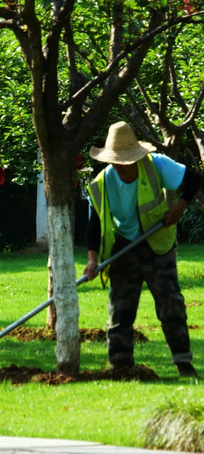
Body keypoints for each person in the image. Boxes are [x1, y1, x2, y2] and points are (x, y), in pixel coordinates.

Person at [86, 121, 201, 378]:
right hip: (124, 249)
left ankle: (184, 364)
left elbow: (194, 180)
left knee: (171, 306)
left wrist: (179, 208)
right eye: (116, 161)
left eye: (125, 160)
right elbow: (94, 225)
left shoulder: (157, 164)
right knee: (120, 311)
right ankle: (121, 367)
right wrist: (92, 260)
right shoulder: (102, 183)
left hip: (157, 244)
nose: (121, 165)